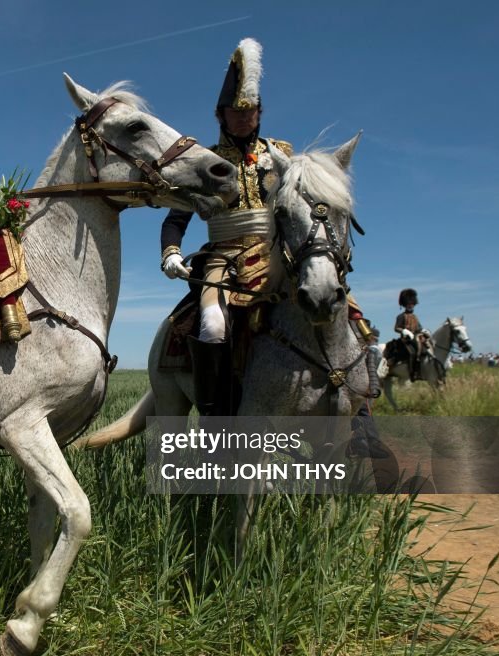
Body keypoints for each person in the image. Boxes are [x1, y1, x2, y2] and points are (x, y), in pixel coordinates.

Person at [157, 38, 378, 416]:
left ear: (260, 114)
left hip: (279, 249)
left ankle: (361, 396)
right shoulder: (206, 161)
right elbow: (177, 217)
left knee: (346, 305)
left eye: (252, 111)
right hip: (224, 257)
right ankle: (218, 410)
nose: (245, 118)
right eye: (235, 112)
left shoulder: (282, 153)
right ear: (221, 115)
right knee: (212, 323)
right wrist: (172, 252)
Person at [393, 288, 424, 380]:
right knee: (411, 353)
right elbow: (396, 328)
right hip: (405, 340)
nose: (410, 306)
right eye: (408, 304)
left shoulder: (415, 317)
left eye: (411, 304)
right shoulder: (401, 316)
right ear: (405, 304)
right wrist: (403, 331)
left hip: (416, 338)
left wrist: (423, 332)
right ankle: (412, 372)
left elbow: (419, 328)